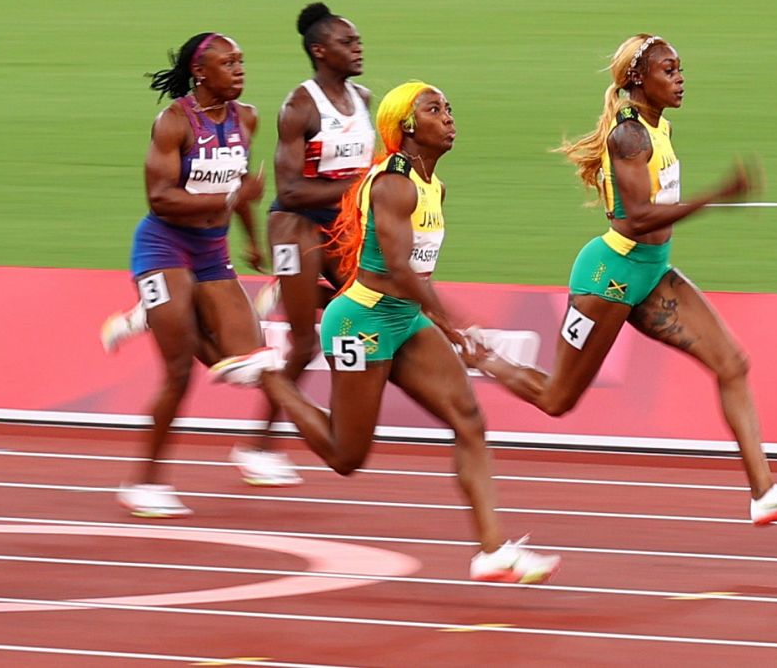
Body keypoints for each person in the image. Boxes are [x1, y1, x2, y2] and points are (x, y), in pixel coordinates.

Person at [215, 81, 562, 584]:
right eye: (435, 109)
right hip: (363, 320)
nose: (449, 116)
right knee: (345, 456)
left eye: (449, 106)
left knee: (468, 419)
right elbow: (399, 267)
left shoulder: (433, 186)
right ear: (407, 127)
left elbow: (408, 269)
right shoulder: (394, 184)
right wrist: (454, 326)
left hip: (403, 318)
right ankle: (270, 372)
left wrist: (441, 325)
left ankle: (492, 551)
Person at [472, 34, 777, 526]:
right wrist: (718, 195)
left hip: (653, 273)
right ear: (639, 79)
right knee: (557, 400)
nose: (679, 78)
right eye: (668, 70)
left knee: (733, 363)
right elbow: (638, 219)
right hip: (609, 278)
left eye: (680, 68)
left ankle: (763, 493)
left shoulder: (660, 129)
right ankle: (480, 355)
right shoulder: (629, 136)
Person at [114, 32, 280, 519]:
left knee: (249, 362)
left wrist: (250, 238)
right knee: (179, 370)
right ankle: (143, 482)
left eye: (242, 61)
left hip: (212, 253)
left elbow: (242, 185)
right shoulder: (172, 123)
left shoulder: (246, 118)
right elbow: (160, 198)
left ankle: (160, 309)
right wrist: (232, 201)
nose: (240, 70)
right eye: (229, 63)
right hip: (164, 247)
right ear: (201, 72)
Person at [237, 2, 376, 487]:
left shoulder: (363, 97)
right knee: (304, 341)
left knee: (365, 308)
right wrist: (363, 186)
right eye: (346, 42)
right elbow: (290, 189)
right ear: (320, 51)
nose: (358, 48)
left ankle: (297, 292)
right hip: (294, 225)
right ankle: (256, 448)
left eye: (357, 40)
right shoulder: (300, 106)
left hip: (340, 225)